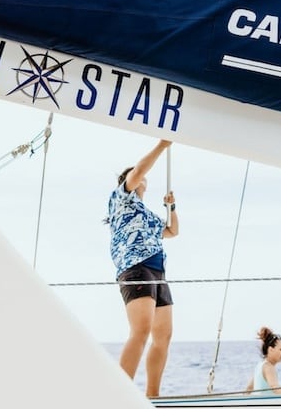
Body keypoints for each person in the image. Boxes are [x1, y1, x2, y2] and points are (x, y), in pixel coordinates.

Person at [105, 138, 178, 398]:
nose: (140, 177)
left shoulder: (146, 213)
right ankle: (120, 395)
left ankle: (153, 396)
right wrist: (162, 145)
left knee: (163, 335)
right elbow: (137, 171)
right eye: (135, 175)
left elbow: (171, 231)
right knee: (141, 330)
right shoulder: (121, 198)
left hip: (158, 272)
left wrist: (171, 207)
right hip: (135, 268)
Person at [245, 326, 281, 395]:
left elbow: (248, 389)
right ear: (271, 350)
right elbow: (274, 387)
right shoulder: (268, 367)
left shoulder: (260, 366)